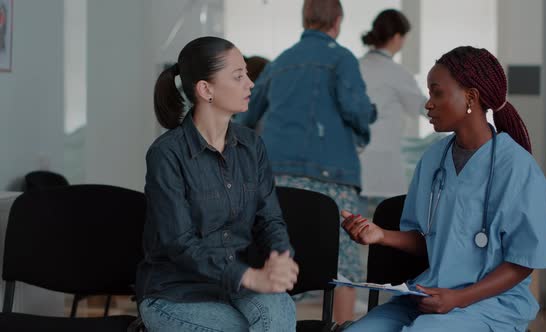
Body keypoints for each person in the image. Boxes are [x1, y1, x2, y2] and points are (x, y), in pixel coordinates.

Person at [342, 46, 546, 331]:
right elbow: (427, 239)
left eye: (437, 93)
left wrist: (459, 298)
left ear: (471, 97)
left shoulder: (517, 167)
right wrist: (380, 235)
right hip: (429, 294)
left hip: (491, 304)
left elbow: (523, 261)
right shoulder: (433, 159)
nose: (428, 104)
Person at [136, 36, 299, 332]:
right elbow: (180, 243)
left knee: (279, 310)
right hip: (176, 293)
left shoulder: (252, 146)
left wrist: (281, 256)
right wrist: (247, 277)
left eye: (247, 74)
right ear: (205, 90)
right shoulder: (166, 154)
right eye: (238, 76)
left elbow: (270, 219)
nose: (250, 83)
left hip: (238, 288)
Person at [235, 0, 376, 323]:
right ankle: (338, 329)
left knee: (279, 261)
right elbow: (355, 109)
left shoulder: (281, 61)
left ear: (304, 18)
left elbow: (247, 115)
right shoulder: (342, 59)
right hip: (332, 177)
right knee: (343, 270)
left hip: (276, 177)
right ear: (337, 22)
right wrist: (367, 122)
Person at [359, 9, 428, 198]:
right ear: (397, 37)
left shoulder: (355, 66)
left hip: (356, 164)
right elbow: (425, 107)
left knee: (355, 225)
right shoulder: (396, 73)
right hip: (384, 166)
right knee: (387, 222)